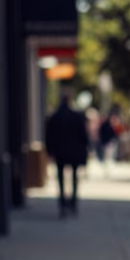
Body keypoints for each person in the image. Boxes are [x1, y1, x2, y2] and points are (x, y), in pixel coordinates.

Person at [44, 87, 89, 217]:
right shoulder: (76, 116)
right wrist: (85, 149)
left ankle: (63, 203)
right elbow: (83, 135)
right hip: (73, 151)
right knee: (74, 176)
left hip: (60, 152)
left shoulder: (55, 116)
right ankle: (73, 202)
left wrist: (50, 151)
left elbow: (49, 136)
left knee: (61, 178)